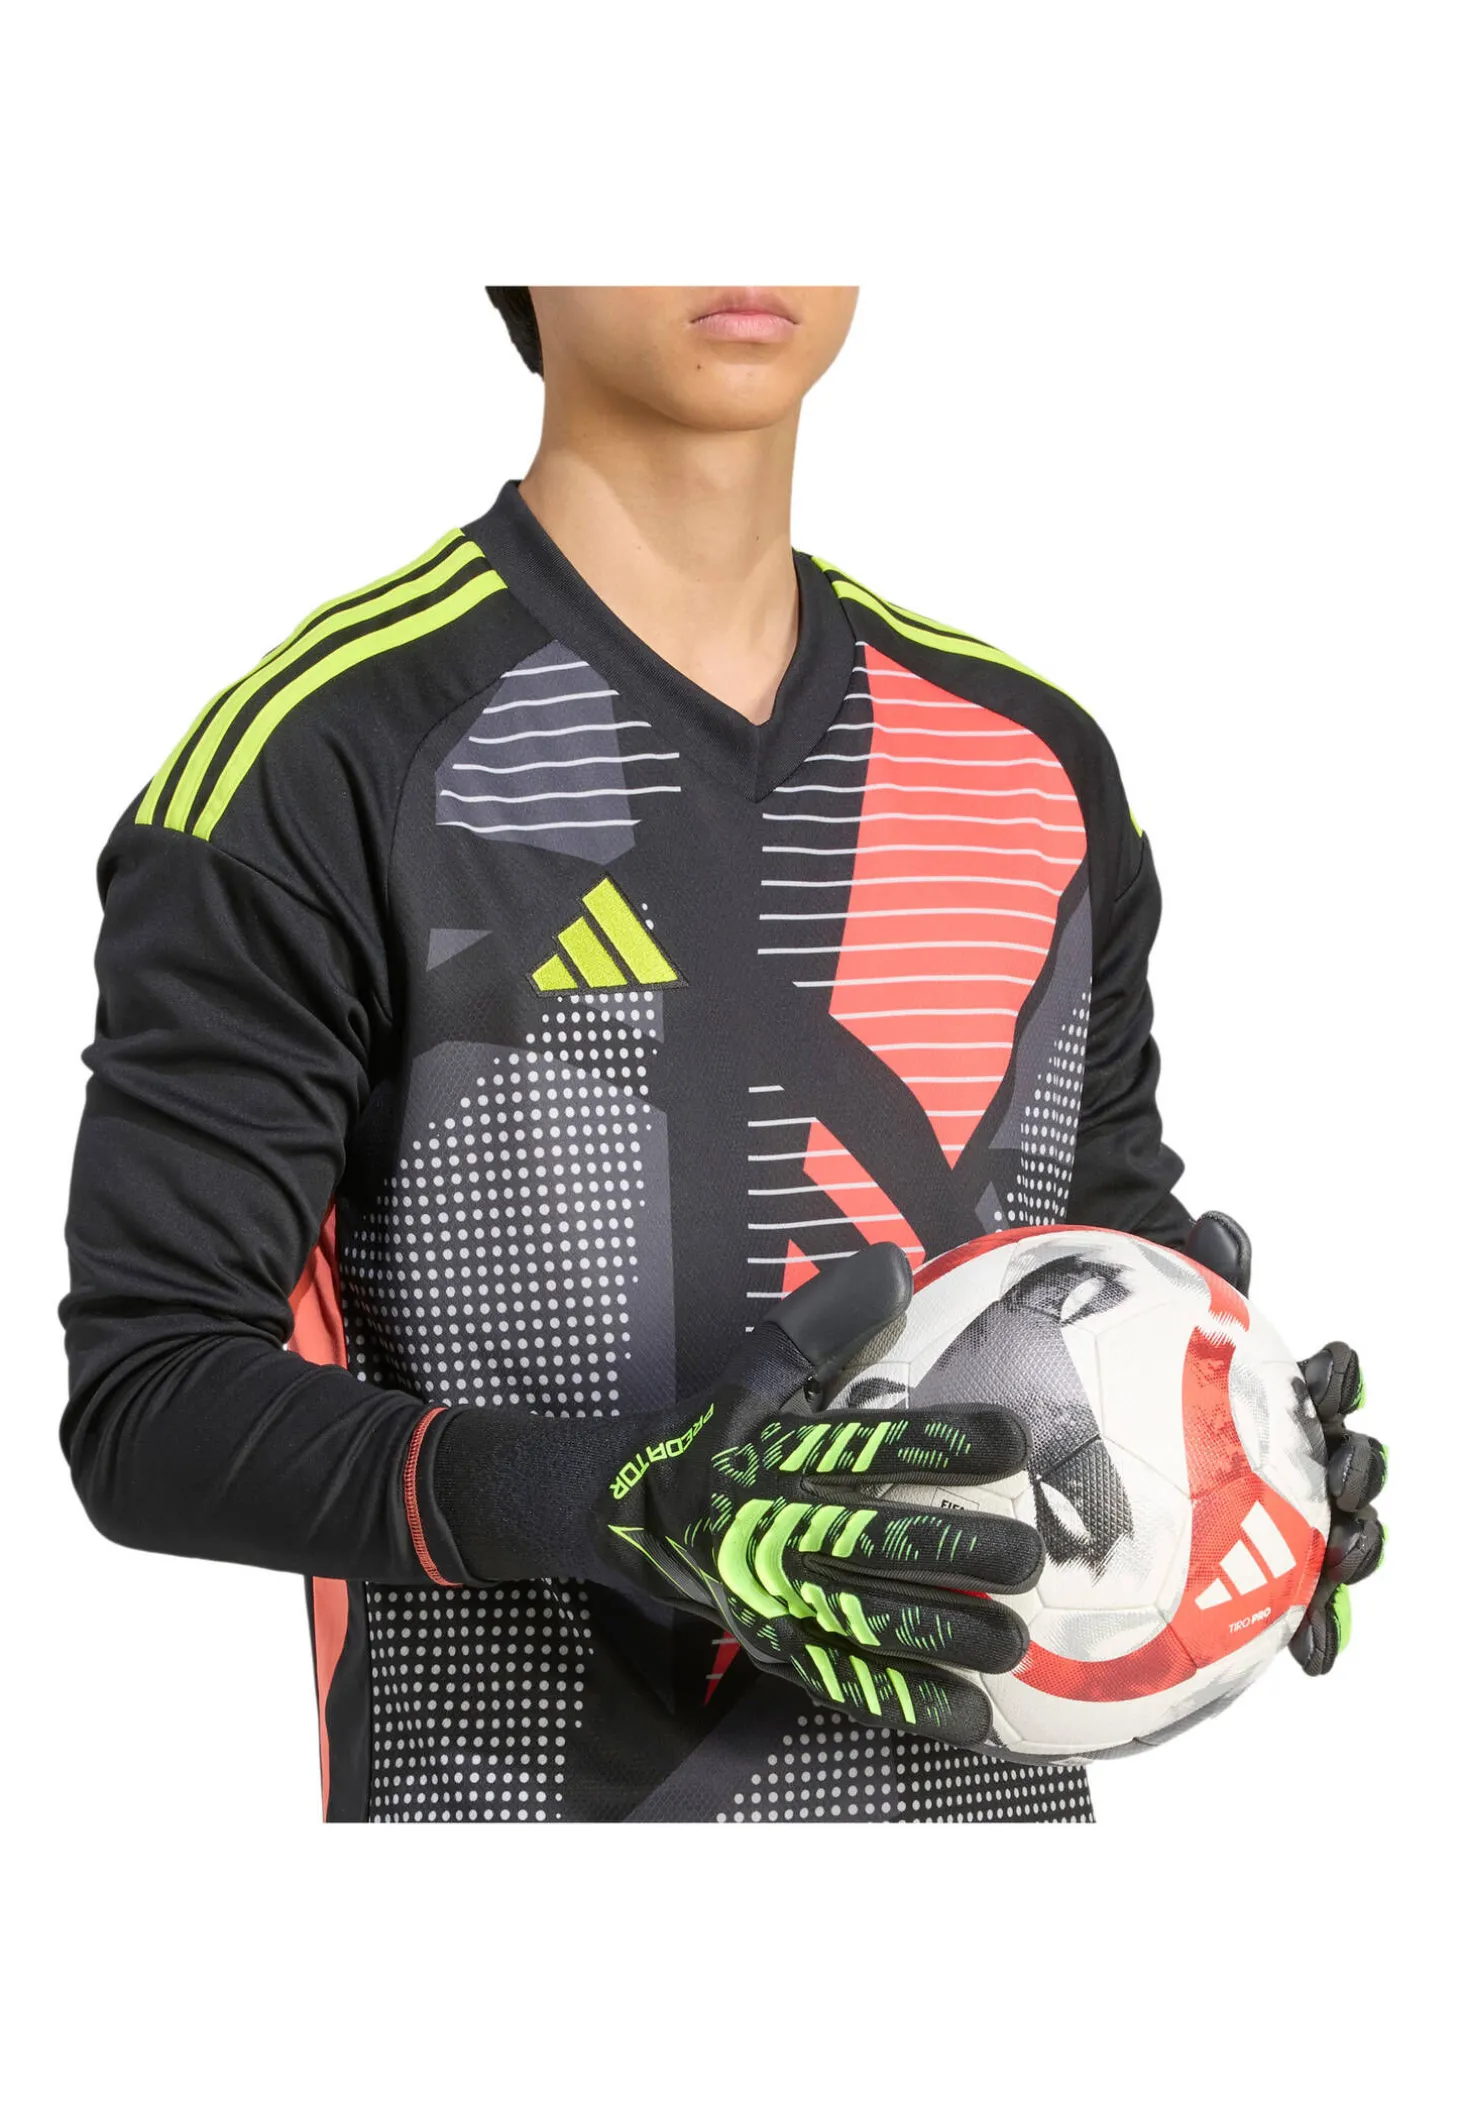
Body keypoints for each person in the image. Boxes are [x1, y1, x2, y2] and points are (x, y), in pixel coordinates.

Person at [60, 287, 1385, 1823]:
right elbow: (151, 1399)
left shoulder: (1035, 768)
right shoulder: (318, 762)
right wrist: (609, 1501)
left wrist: (1235, 1449)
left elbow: (1100, 1243)